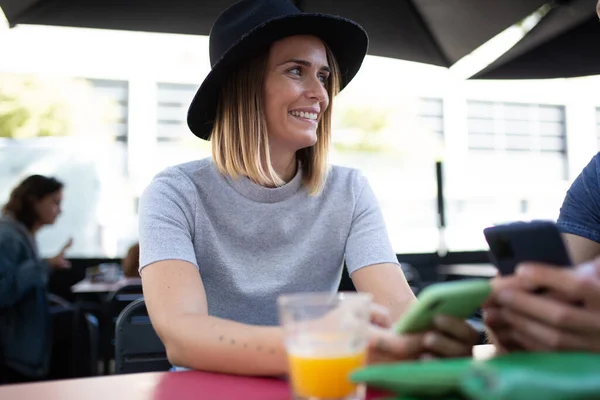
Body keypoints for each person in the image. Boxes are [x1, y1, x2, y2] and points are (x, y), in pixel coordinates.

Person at [139, 0, 479, 376]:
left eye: (323, 76)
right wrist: (321, 345)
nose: (321, 94)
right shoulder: (175, 192)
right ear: (244, 84)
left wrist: (429, 336)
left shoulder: (349, 190)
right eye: (296, 71)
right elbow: (182, 336)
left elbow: (398, 306)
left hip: (319, 383)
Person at [0, 175, 73, 382]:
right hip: (11, 355)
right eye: (55, 202)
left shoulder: (22, 235)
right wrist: (45, 265)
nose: (59, 210)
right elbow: (3, 289)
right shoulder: (7, 236)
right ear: (34, 200)